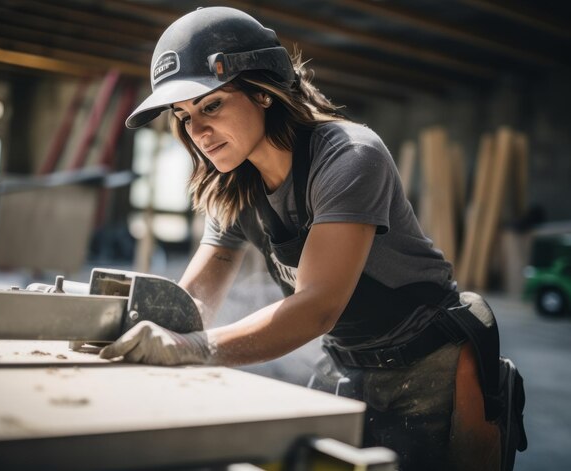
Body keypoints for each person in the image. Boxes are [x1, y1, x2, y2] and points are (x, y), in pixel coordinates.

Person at [100, 6, 524, 470]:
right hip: (346, 359)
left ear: (263, 92)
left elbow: (318, 306)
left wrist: (198, 348)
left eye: (212, 105)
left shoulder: (349, 158)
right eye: (183, 116)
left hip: (431, 362)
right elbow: (198, 298)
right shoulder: (232, 184)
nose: (197, 131)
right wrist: (152, 329)